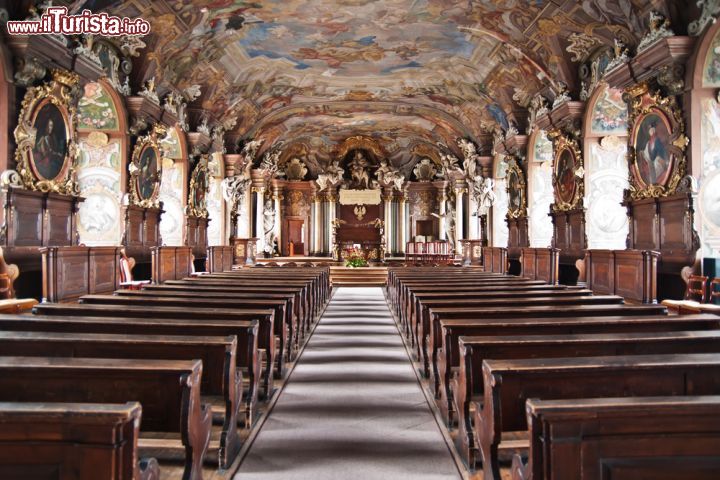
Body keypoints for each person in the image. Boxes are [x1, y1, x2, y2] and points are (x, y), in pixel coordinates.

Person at [638, 120, 668, 185]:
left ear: (654, 131)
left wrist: (663, 161)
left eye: (652, 130)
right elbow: (647, 155)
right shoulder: (648, 143)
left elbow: (661, 153)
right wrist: (642, 153)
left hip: (659, 161)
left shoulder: (657, 141)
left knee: (654, 173)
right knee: (647, 172)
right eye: (650, 130)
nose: (651, 132)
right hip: (652, 162)